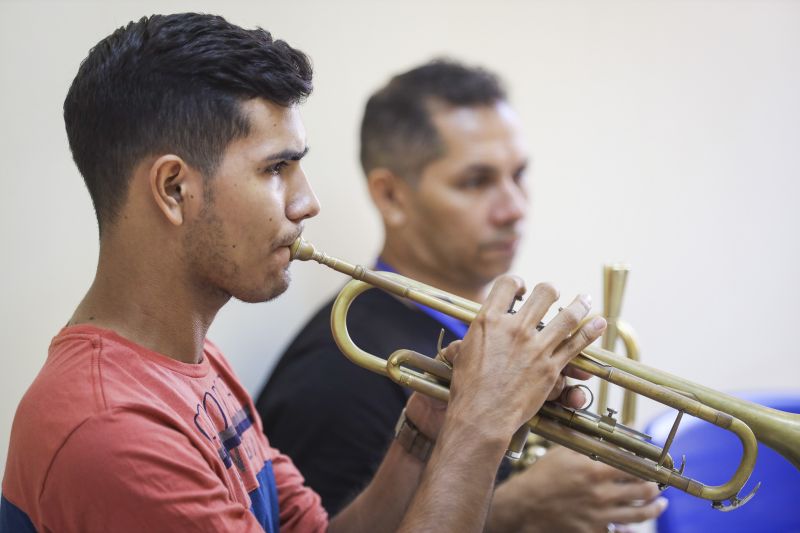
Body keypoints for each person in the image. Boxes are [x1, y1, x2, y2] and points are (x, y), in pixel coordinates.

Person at [0, 13, 607, 533]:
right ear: (174, 188)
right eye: (276, 169)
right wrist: (483, 426)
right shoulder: (113, 432)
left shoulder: (196, 365)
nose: (307, 201)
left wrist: (426, 433)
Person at [257, 60, 668, 532]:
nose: (514, 208)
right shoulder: (338, 371)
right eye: (476, 181)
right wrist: (514, 510)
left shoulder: (492, 337)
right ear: (391, 197)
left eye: (519, 174)